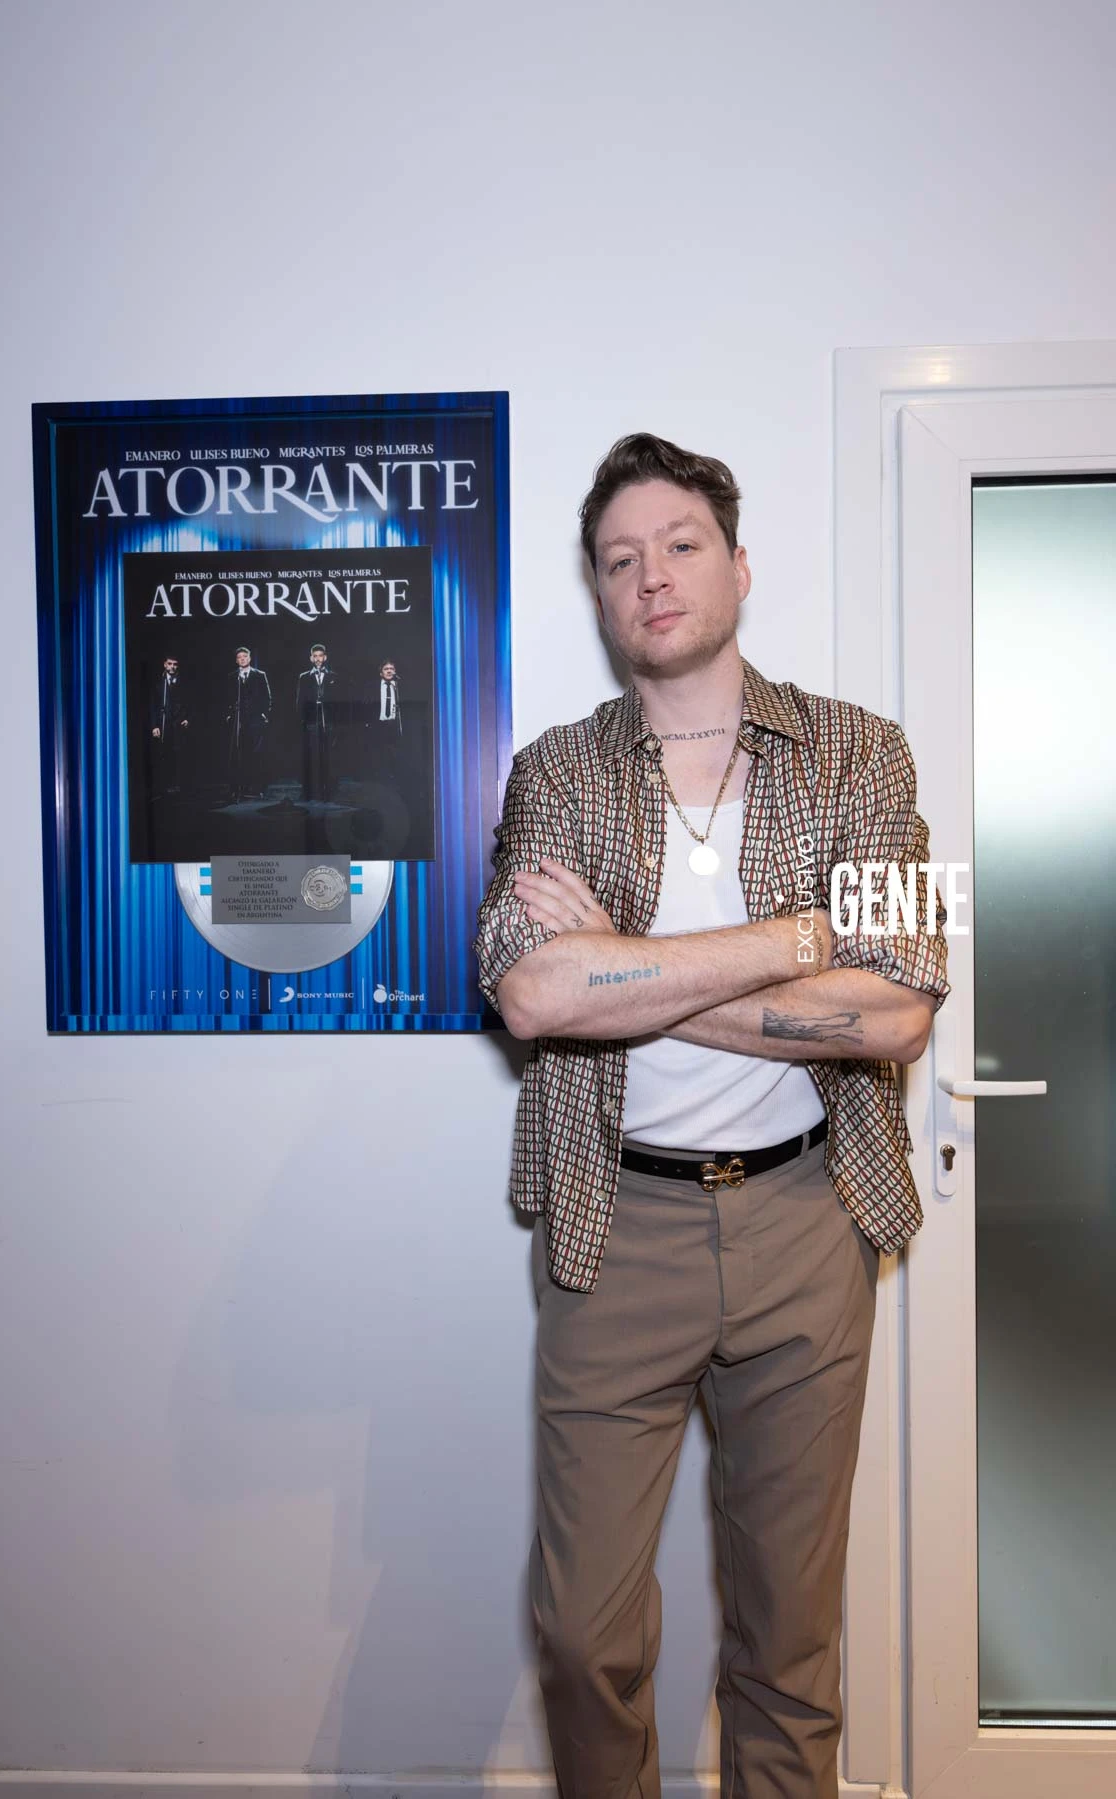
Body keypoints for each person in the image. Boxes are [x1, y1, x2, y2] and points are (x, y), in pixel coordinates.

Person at [474, 433, 950, 1799]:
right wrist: (799, 939)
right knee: (584, 1634)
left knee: (790, 1637)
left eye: (680, 544)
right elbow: (533, 991)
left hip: (810, 1218)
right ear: (599, 591)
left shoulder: (861, 754)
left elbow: (897, 1011)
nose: (652, 575)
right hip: (613, 1225)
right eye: (619, 558)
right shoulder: (557, 770)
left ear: (738, 566)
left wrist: (626, 967)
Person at [226, 646, 271, 800]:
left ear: (250, 658)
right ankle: (238, 787)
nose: (242, 659)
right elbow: (227, 697)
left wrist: (264, 714)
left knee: (256, 754)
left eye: (245, 656)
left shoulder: (259, 675)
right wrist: (229, 715)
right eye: (239, 657)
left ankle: (257, 788)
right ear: (236, 660)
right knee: (238, 753)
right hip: (238, 720)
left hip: (255, 720)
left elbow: (267, 697)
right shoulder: (233, 676)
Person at [295, 643, 337, 801]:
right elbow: (300, 701)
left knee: (327, 755)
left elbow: (337, 701)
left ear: (325, 657)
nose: (318, 659)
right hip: (311, 721)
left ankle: (327, 790)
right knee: (311, 755)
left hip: (328, 721)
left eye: (320, 656)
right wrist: (303, 720)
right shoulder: (304, 677)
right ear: (311, 658)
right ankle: (310, 790)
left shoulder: (333, 676)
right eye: (315, 656)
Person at [149, 655, 188, 794]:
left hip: (178, 723)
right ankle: (163, 784)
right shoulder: (159, 684)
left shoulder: (184, 683)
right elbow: (153, 705)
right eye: (170, 664)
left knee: (178, 753)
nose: (172, 667)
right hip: (163, 723)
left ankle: (177, 785)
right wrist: (154, 725)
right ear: (165, 665)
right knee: (163, 753)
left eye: (175, 664)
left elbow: (189, 702)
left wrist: (187, 718)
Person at [367, 658, 403, 781]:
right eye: (386, 669)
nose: (389, 671)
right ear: (381, 673)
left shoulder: (398, 686)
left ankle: (393, 776)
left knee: (393, 751)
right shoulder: (373, 687)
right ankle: (378, 776)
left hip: (393, 724)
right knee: (378, 752)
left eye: (391, 669)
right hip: (378, 724)